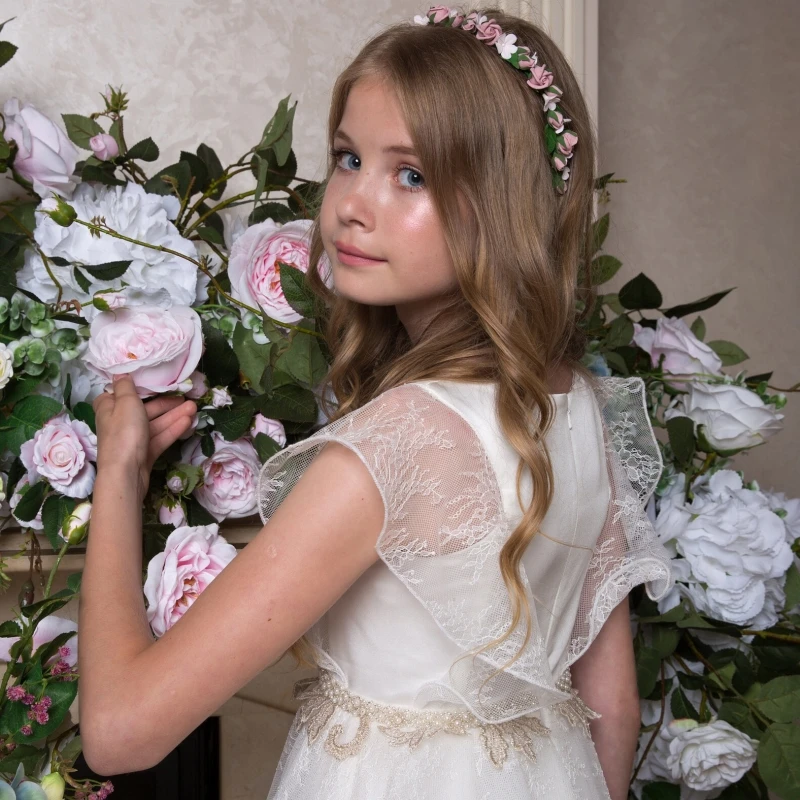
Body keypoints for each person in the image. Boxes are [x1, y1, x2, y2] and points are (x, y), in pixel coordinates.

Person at [79, 5, 675, 799]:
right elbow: (613, 708)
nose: (353, 203)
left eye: (412, 175)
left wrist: (116, 481)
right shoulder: (579, 410)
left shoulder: (392, 449)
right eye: (348, 157)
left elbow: (120, 734)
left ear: (503, 204)